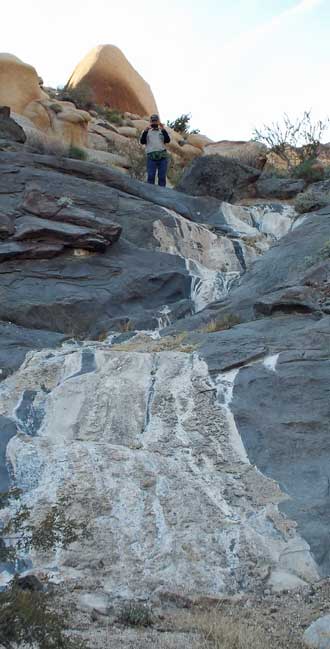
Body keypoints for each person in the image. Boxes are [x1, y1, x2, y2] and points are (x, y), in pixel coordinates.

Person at [140, 114, 171, 187]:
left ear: (158, 122)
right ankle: (150, 195)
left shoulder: (162, 131)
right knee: (150, 177)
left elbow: (167, 140)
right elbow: (142, 142)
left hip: (162, 156)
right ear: (150, 122)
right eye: (152, 121)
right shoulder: (146, 132)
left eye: (155, 121)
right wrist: (145, 131)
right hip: (151, 156)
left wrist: (163, 129)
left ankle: (161, 195)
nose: (154, 123)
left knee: (162, 178)